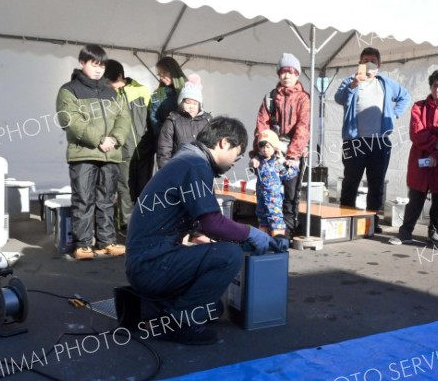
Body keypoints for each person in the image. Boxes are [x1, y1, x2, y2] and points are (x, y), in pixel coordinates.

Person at [125, 117, 287, 345]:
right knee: (230, 256)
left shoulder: (185, 160)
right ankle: (176, 322)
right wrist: (250, 233)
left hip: (146, 262)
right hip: (150, 266)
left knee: (212, 308)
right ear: (223, 143)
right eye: (237, 154)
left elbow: (193, 225)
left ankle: (164, 306)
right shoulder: (195, 165)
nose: (235, 162)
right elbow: (211, 221)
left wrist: (205, 239)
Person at [56, 44, 130, 260]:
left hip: (111, 154)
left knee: (107, 199)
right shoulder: (68, 90)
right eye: (94, 64)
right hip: (84, 154)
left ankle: (107, 241)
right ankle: (83, 244)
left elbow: (123, 118)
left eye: (102, 65)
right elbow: (68, 119)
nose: (99, 69)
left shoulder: (112, 92)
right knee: (83, 198)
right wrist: (98, 140)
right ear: (82, 63)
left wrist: (115, 139)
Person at [335, 47, 411, 233]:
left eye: (373, 61)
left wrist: (395, 114)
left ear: (379, 64)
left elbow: (405, 97)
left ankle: (372, 220)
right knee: (351, 181)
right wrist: (353, 84)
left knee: (376, 183)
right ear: (360, 62)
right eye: (365, 60)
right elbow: (339, 98)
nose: (369, 63)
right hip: (354, 141)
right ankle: (346, 218)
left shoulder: (385, 83)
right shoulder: (350, 81)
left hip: (379, 141)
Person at [388, 69, 438, 245]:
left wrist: (437, 157)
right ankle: (405, 231)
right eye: (434, 85)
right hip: (420, 160)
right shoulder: (418, 107)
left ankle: (434, 232)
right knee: (416, 197)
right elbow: (416, 132)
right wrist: (435, 144)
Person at [249, 53, 310, 238]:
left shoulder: (303, 98)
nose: (287, 76)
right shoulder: (269, 97)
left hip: (292, 152)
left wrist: (293, 155)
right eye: (283, 72)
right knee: (266, 190)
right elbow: (261, 124)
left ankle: (287, 229)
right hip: (271, 151)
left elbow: (303, 126)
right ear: (278, 74)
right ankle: (267, 227)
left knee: (291, 193)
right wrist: (257, 153)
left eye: (291, 72)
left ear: (297, 74)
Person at [104, 59, 152, 233]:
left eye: (111, 81)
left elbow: (151, 119)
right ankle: (126, 226)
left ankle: (147, 224)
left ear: (121, 76)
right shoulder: (107, 95)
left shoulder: (142, 91)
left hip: (145, 150)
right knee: (124, 188)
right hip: (122, 151)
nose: (110, 85)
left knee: (147, 189)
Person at [157, 74, 212, 168]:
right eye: (188, 103)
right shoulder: (173, 120)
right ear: (181, 102)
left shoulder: (207, 120)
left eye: (195, 103)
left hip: (201, 168)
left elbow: (212, 146)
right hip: (178, 168)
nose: (191, 106)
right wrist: (166, 172)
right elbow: (164, 150)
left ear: (200, 105)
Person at [253, 129, 299, 237]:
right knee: (261, 217)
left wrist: (292, 165)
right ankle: (263, 239)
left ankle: (279, 240)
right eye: (262, 147)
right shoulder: (258, 161)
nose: (265, 150)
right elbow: (252, 165)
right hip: (261, 198)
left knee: (275, 217)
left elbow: (290, 174)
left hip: (274, 198)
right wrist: (253, 161)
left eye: (268, 147)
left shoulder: (278, 162)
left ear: (274, 148)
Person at [149, 57, 186, 139]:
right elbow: (154, 119)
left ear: (173, 70)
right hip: (167, 141)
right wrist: (166, 135)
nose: (162, 77)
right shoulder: (158, 94)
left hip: (187, 139)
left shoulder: (189, 89)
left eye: (165, 73)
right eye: (159, 74)